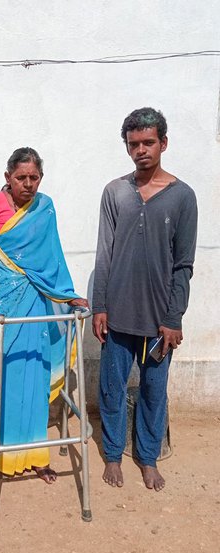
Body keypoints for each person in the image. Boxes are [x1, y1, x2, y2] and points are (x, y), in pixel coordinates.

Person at [0, 147, 88, 483]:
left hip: (36, 301)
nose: (28, 184)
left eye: (34, 178)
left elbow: (52, 261)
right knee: (2, 372)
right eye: (21, 178)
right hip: (2, 300)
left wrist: (69, 296)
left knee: (34, 373)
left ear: (40, 179)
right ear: (8, 178)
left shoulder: (45, 209)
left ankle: (35, 455)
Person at [92, 107, 197, 491]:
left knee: (154, 390)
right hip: (117, 314)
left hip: (159, 321)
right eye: (133, 144)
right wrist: (100, 305)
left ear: (163, 143)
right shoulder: (115, 192)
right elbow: (104, 253)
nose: (141, 150)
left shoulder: (182, 197)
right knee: (112, 387)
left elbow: (183, 264)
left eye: (148, 142)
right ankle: (113, 454)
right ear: (127, 147)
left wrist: (174, 317)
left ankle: (148, 458)